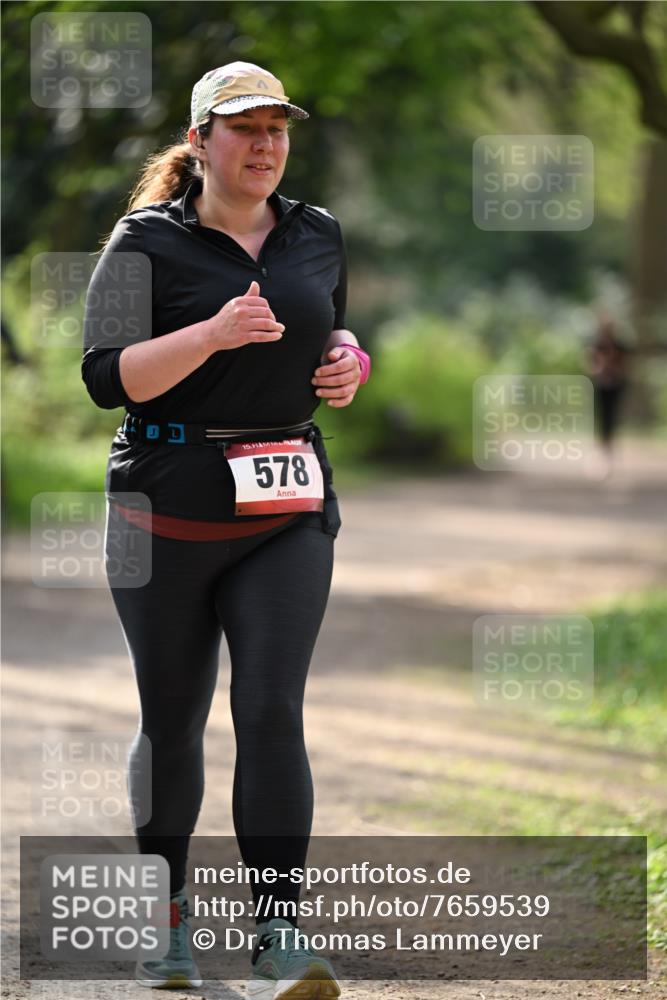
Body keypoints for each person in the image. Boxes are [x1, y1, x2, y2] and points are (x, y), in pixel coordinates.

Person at [81, 61, 370, 998]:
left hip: (283, 504)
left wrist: (346, 358)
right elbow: (105, 379)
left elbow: (330, 328)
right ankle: (169, 928)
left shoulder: (315, 233)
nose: (264, 145)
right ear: (200, 142)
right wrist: (207, 334)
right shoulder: (145, 243)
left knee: (271, 711)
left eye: (277, 128)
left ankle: (280, 936)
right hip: (161, 504)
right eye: (243, 128)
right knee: (172, 723)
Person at [587, 310, 631, 477]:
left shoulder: (620, 346)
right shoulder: (596, 345)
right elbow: (590, 365)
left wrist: (614, 369)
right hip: (599, 386)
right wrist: (600, 368)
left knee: (611, 418)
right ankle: (601, 452)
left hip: (615, 386)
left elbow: (626, 367)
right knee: (600, 418)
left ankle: (609, 452)